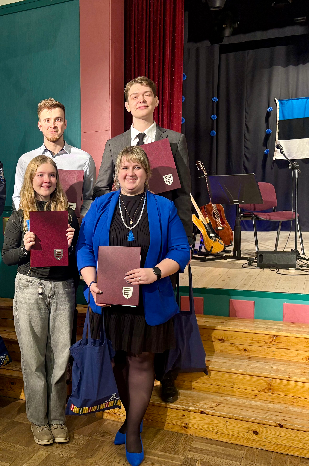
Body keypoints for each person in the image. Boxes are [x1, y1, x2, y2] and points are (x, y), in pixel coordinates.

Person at [77, 146, 190, 466]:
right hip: (109, 298)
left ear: (147, 173)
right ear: (117, 174)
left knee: (141, 361)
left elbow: (181, 250)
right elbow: (84, 248)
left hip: (148, 299)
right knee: (117, 361)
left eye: (137, 168)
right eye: (124, 168)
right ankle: (130, 419)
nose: (130, 173)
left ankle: (133, 430)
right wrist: (91, 282)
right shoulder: (100, 205)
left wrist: (155, 272)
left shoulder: (164, 207)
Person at [93, 76, 193, 403]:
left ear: (156, 101)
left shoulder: (174, 140)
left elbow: (183, 193)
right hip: (123, 239)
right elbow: (100, 188)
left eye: (146, 94)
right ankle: (129, 376)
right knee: (128, 313)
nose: (140, 100)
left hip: (161, 242)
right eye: (134, 96)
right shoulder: (115, 144)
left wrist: (183, 242)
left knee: (162, 311)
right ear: (126, 105)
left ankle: (166, 374)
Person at [2, 155, 78, 446]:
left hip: (62, 288)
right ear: (31, 179)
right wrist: (25, 248)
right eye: (40, 175)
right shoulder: (20, 215)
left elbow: (76, 261)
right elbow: (8, 256)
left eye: (52, 175)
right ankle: (38, 420)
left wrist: (70, 245)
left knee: (60, 357)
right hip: (29, 287)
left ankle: (57, 418)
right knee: (34, 359)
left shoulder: (68, 215)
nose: (47, 180)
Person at [12, 98, 96, 217]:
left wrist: (82, 218)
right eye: (47, 120)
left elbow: (90, 197)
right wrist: (28, 219)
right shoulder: (26, 160)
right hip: (35, 225)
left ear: (65, 124)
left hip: (73, 225)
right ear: (40, 125)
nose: (52, 125)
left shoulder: (84, 159)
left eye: (58, 120)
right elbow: (18, 197)